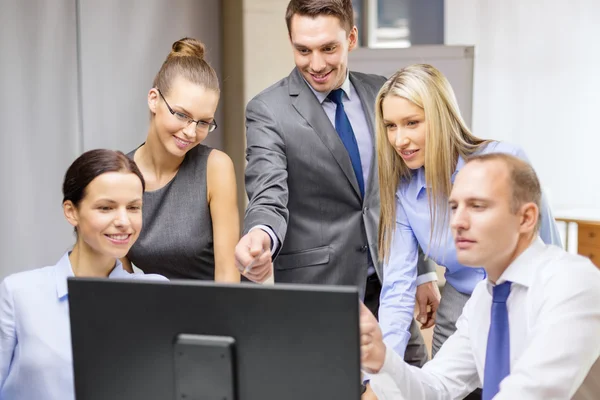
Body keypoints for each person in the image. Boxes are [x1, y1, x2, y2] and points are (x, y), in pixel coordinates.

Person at [234, 0, 436, 376]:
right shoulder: (267, 110)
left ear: (352, 38)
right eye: (303, 50)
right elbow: (267, 192)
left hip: (392, 283)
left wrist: (423, 272)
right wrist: (261, 233)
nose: (316, 64)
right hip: (320, 296)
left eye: (329, 48)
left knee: (412, 387)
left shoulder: (382, 94)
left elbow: (405, 188)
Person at [360, 153, 600, 399]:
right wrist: (383, 359)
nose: (457, 222)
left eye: (477, 206)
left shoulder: (571, 282)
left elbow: (531, 392)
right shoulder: (484, 299)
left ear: (526, 218)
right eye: (454, 207)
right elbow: (437, 386)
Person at [374, 64, 562, 372]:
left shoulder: (505, 161)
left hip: (523, 302)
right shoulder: (404, 191)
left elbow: (549, 251)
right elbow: (397, 288)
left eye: (412, 123)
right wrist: (382, 376)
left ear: (440, 117)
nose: (400, 140)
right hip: (460, 306)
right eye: (391, 126)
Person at [0, 149, 168, 400]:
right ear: (71, 211)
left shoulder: (156, 293)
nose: (124, 221)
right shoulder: (19, 293)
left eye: (133, 207)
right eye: (106, 207)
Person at [126, 37, 240, 282]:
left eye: (204, 123)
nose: (190, 132)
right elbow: (120, 280)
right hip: (156, 314)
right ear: (154, 99)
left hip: (221, 311)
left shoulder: (215, 168)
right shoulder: (121, 176)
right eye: (181, 114)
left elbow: (228, 276)